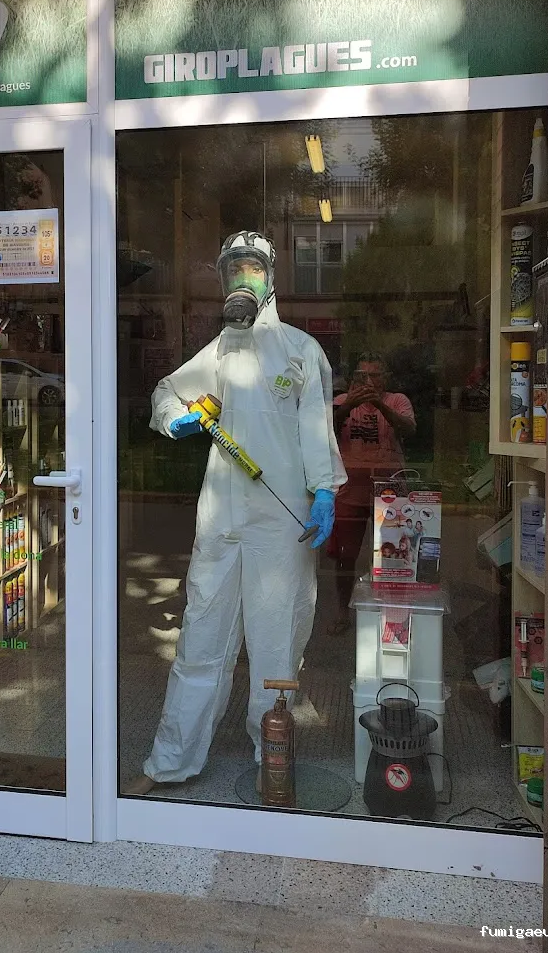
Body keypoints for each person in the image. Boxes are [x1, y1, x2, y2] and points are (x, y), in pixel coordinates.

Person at [127, 232, 345, 794]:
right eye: (234, 270)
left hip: (282, 522)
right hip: (222, 518)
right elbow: (167, 390)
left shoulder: (301, 351)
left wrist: (324, 491)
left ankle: (272, 762)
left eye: (253, 269)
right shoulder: (220, 352)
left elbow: (317, 429)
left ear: (271, 279)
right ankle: (171, 761)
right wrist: (173, 418)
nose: (243, 280)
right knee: (201, 635)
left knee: (277, 642)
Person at [326, 355, 415, 633]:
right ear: (353, 379)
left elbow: (409, 429)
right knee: (346, 555)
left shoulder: (397, 400)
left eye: (374, 376)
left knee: (393, 555)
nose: (369, 381)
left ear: (385, 378)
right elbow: (322, 431)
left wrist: (379, 405)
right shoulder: (342, 401)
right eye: (362, 376)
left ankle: (391, 613)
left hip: (389, 487)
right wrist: (348, 405)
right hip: (349, 488)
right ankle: (342, 612)